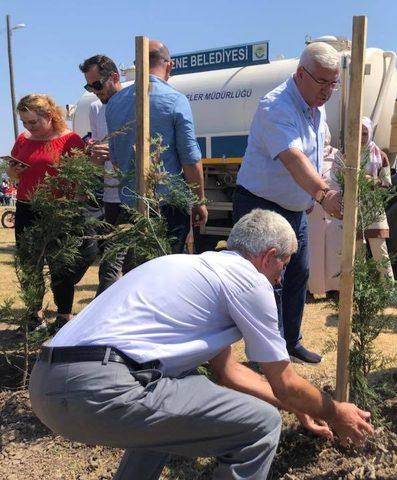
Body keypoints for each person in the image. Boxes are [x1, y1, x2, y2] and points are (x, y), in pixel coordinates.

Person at [28, 208, 373, 480]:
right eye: (283, 265)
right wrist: (334, 411)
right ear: (268, 256)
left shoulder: (193, 269)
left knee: (177, 399)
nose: (282, 277)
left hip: (47, 385)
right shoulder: (250, 281)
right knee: (261, 426)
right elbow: (285, 382)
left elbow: (229, 373)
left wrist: (301, 407)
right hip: (102, 390)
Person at [233, 42, 343, 364]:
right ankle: (269, 356)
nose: (328, 91)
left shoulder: (315, 107)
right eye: (322, 82)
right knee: (270, 282)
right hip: (262, 207)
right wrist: (323, 194)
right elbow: (293, 159)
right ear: (300, 74)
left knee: (298, 275)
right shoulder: (276, 107)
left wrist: (310, 196)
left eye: (333, 83)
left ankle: (291, 343)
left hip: (295, 209)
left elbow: (316, 152)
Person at [106, 39, 208, 255]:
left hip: (131, 205)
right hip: (167, 206)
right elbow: (190, 159)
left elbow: (115, 160)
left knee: (138, 268)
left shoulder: (115, 104)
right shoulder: (175, 100)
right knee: (167, 269)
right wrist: (199, 201)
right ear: (169, 65)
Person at [8, 94, 87, 330]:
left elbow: (82, 180)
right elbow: (14, 174)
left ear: (49, 115)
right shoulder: (23, 139)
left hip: (59, 210)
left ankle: (64, 316)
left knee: (61, 264)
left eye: (33, 122)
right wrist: (13, 173)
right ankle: (34, 314)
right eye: (24, 122)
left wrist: (72, 202)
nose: (28, 127)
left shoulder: (71, 140)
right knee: (30, 264)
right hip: (26, 207)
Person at [79, 54, 126, 295]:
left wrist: (115, 152)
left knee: (128, 262)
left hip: (136, 194)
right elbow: (99, 157)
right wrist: (95, 157)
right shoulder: (96, 108)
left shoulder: (136, 101)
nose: (94, 91)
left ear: (115, 78)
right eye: (89, 86)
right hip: (110, 195)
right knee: (110, 260)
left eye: (97, 85)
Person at [308, 124, 343, 296]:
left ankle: (334, 288)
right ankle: (313, 288)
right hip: (311, 212)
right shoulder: (307, 154)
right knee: (312, 251)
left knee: (333, 251)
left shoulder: (338, 155)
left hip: (333, 212)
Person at [358, 116, 394, 280]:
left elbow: (387, 184)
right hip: (354, 207)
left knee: (380, 251)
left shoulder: (380, 155)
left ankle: (388, 290)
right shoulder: (347, 154)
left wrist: (370, 180)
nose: (361, 137)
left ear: (370, 133)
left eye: (364, 133)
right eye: (357, 133)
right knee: (356, 252)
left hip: (373, 206)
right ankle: (358, 290)